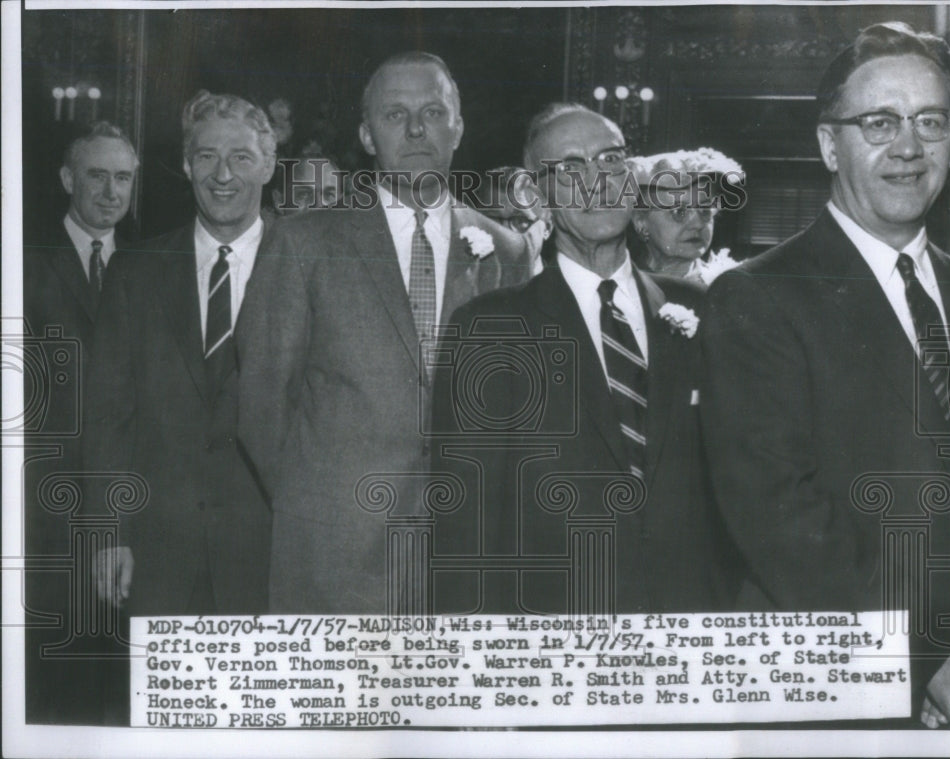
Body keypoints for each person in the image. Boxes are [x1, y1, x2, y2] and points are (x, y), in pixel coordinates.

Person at [700, 22, 950, 728]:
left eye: (930, 121)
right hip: (849, 694)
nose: (908, 146)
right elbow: (781, 522)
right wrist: (928, 663)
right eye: (879, 122)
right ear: (827, 145)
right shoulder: (757, 296)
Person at [236, 52, 541, 613]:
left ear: (458, 127)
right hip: (334, 555)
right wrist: (319, 501)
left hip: (465, 557)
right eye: (395, 114)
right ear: (366, 135)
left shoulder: (506, 251)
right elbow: (262, 403)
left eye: (433, 111)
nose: (417, 129)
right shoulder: (304, 243)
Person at [432, 103, 735, 615]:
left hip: (691, 618)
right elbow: (466, 526)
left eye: (611, 160)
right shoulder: (490, 328)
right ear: (536, 196)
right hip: (554, 624)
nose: (598, 181)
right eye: (571, 168)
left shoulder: (702, 310)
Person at [85, 91, 276, 619]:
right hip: (156, 556)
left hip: (271, 557)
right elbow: (108, 418)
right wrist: (109, 534)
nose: (223, 174)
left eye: (241, 157)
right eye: (207, 156)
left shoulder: (306, 266)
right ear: (187, 166)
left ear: (268, 166)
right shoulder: (135, 272)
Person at [22, 121, 138, 724]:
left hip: (128, 509)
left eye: (123, 178)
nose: (111, 192)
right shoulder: (24, 261)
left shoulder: (152, 264)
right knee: (51, 685)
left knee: (120, 687)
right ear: (68, 179)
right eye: (97, 176)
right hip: (46, 514)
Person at [628, 148, 742, 286]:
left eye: (705, 210)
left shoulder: (727, 285)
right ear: (640, 222)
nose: (698, 224)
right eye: (679, 212)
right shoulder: (621, 284)